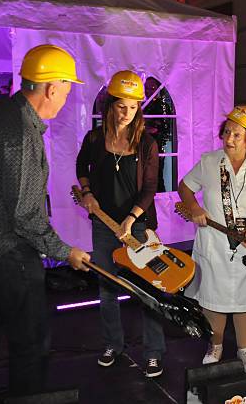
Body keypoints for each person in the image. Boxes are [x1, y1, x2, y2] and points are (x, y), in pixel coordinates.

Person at [0, 44, 89, 397]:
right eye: (67, 88)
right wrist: (65, 250)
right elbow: (26, 215)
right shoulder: (21, 134)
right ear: (52, 88)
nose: (67, 96)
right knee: (31, 345)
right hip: (7, 250)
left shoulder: (2, 111)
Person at [76, 70, 166, 378]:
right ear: (110, 105)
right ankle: (113, 344)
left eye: (132, 106)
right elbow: (80, 167)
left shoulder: (147, 143)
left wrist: (130, 220)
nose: (127, 113)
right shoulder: (95, 139)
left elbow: (150, 188)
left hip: (137, 227)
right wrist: (87, 192)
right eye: (121, 106)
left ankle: (153, 353)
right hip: (103, 225)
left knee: (148, 289)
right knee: (107, 288)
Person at [178, 105, 246, 375]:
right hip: (215, 243)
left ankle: (245, 349)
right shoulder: (209, 162)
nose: (229, 139)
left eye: (236, 134)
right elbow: (184, 187)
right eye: (227, 132)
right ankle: (216, 344)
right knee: (212, 298)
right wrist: (194, 208)